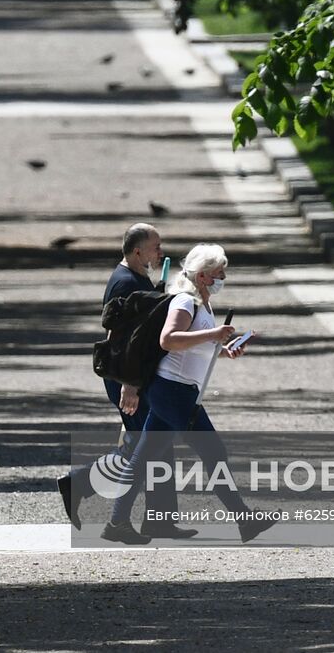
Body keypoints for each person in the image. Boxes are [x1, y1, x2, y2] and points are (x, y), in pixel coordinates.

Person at [102, 243, 275, 545]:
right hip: (173, 392)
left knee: (142, 459)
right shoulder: (184, 301)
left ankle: (116, 522)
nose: (223, 278)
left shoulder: (202, 302)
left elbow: (191, 349)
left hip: (174, 391)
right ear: (204, 276)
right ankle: (244, 519)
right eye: (220, 273)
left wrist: (223, 350)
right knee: (213, 451)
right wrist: (213, 334)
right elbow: (169, 340)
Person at [57, 224, 196, 540]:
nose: (161, 252)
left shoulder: (136, 277)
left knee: (152, 444)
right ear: (138, 251)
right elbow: (120, 338)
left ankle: (156, 518)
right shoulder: (124, 284)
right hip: (127, 377)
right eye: (156, 247)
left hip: (134, 375)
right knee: (150, 446)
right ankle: (83, 488)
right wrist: (130, 385)